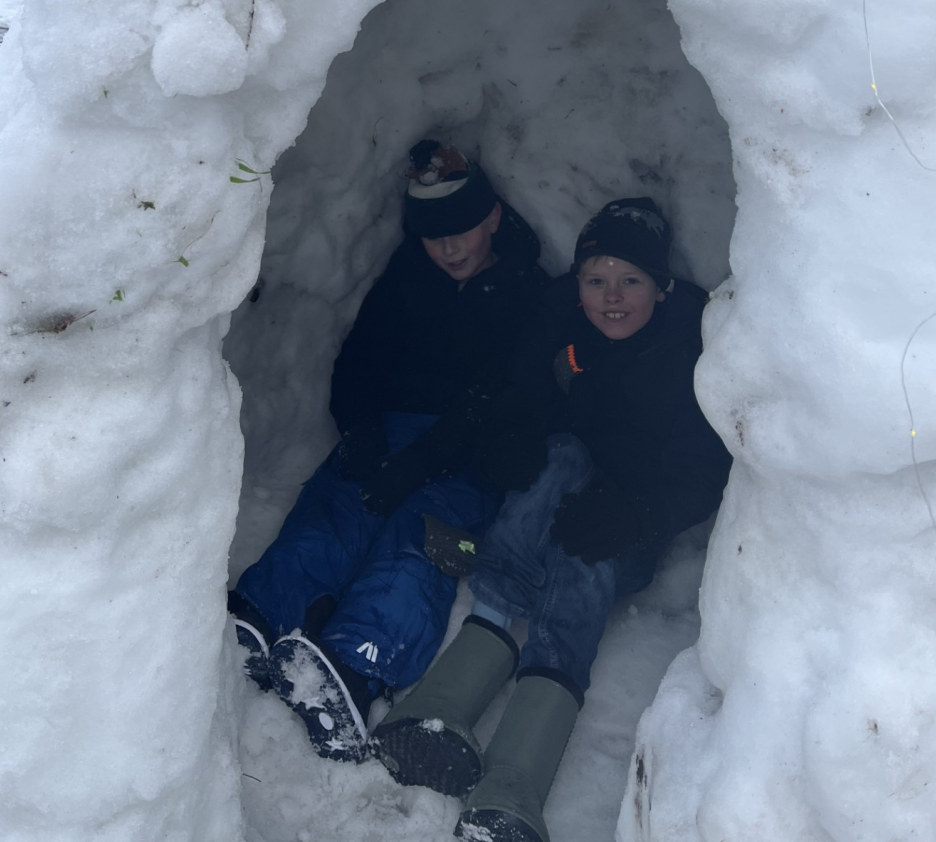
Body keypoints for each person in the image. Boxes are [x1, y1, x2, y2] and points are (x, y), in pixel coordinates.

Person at [371, 197, 732, 842]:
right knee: (560, 454)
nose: (611, 298)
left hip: (620, 523)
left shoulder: (690, 349)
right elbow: (517, 401)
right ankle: (443, 706)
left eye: (631, 281)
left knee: (580, 565)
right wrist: (508, 443)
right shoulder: (557, 319)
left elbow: (702, 471)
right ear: (577, 283)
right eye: (596, 280)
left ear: (662, 287)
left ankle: (515, 778)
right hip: (546, 502)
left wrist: (640, 515)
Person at [228, 140, 549, 763]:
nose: (448, 248)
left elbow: (504, 394)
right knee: (336, 510)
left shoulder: (528, 293)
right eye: (433, 236)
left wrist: (424, 461)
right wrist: (363, 427)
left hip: (468, 457)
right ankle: (262, 612)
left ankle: (359, 664)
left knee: (419, 544)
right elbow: (361, 358)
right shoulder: (408, 277)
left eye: (460, 231)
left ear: (493, 218)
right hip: (392, 430)